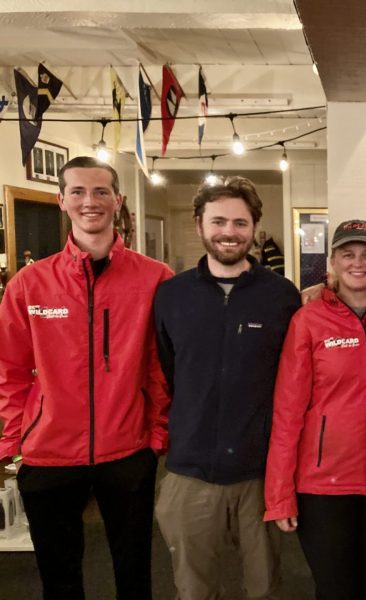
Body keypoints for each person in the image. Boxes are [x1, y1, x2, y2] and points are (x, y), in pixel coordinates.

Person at [0, 156, 172, 599]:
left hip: (128, 451)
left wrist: (156, 436)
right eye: (77, 191)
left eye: (100, 191)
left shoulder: (156, 280)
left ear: (118, 200)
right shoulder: (29, 284)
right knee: (59, 579)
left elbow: (162, 368)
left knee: (135, 574)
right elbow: (10, 370)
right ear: (61, 201)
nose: (89, 201)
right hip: (48, 457)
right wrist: (17, 440)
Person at [153, 177, 300, 600]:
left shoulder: (281, 296)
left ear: (254, 227)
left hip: (260, 473)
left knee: (265, 586)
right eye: (218, 221)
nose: (229, 232)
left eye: (240, 222)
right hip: (190, 472)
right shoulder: (171, 295)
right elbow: (167, 370)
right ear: (200, 225)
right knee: (194, 589)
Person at [265, 219, 366, 599]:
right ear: (332, 263)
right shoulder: (309, 320)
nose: (357, 263)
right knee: (335, 588)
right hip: (323, 486)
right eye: (347, 254)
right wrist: (279, 492)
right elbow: (287, 411)